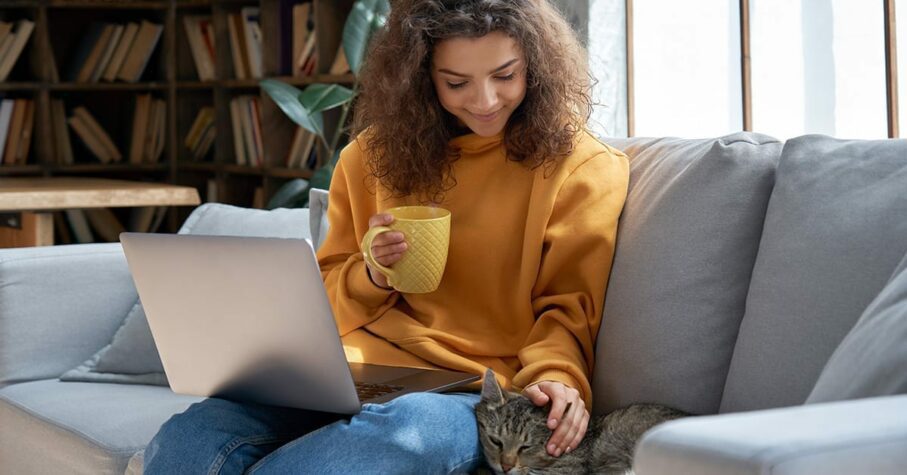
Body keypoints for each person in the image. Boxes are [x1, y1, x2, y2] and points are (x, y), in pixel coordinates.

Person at [143, 0, 629, 473]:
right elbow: (322, 299)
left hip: (471, 390)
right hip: (352, 372)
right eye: (456, 82)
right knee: (188, 437)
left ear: (538, 66)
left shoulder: (581, 168)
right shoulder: (370, 157)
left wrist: (557, 379)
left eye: (505, 75)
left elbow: (569, 309)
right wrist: (371, 275)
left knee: (397, 438)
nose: (484, 100)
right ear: (421, 76)